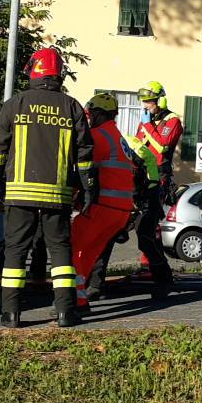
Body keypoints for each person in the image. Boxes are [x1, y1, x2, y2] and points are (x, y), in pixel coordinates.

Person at [0, 46, 94, 328]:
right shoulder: (72, 106)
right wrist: (87, 188)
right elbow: (84, 156)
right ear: (58, 73)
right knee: (60, 252)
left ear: (35, 70)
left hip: (19, 193)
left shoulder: (15, 104)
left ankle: (10, 314)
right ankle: (65, 312)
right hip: (57, 195)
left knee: (15, 252)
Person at [71, 92, 140, 313]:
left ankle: (75, 299)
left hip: (104, 205)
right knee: (89, 253)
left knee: (68, 246)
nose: (89, 118)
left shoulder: (98, 135)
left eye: (91, 114)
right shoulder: (118, 137)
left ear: (100, 114)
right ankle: (79, 296)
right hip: (121, 210)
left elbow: (82, 166)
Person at [133, 81, 182, 297]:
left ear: (160, 100)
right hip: (142, 177)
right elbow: (138, 145)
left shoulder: (172, 120)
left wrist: (147, 127)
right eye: (144, 101)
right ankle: (152, 266)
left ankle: (161, 275)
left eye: (149, 101)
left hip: (159, 178)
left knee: (148, 227)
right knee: (144, 226)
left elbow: (162, 146)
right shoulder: (146, 122)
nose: (146, 106)